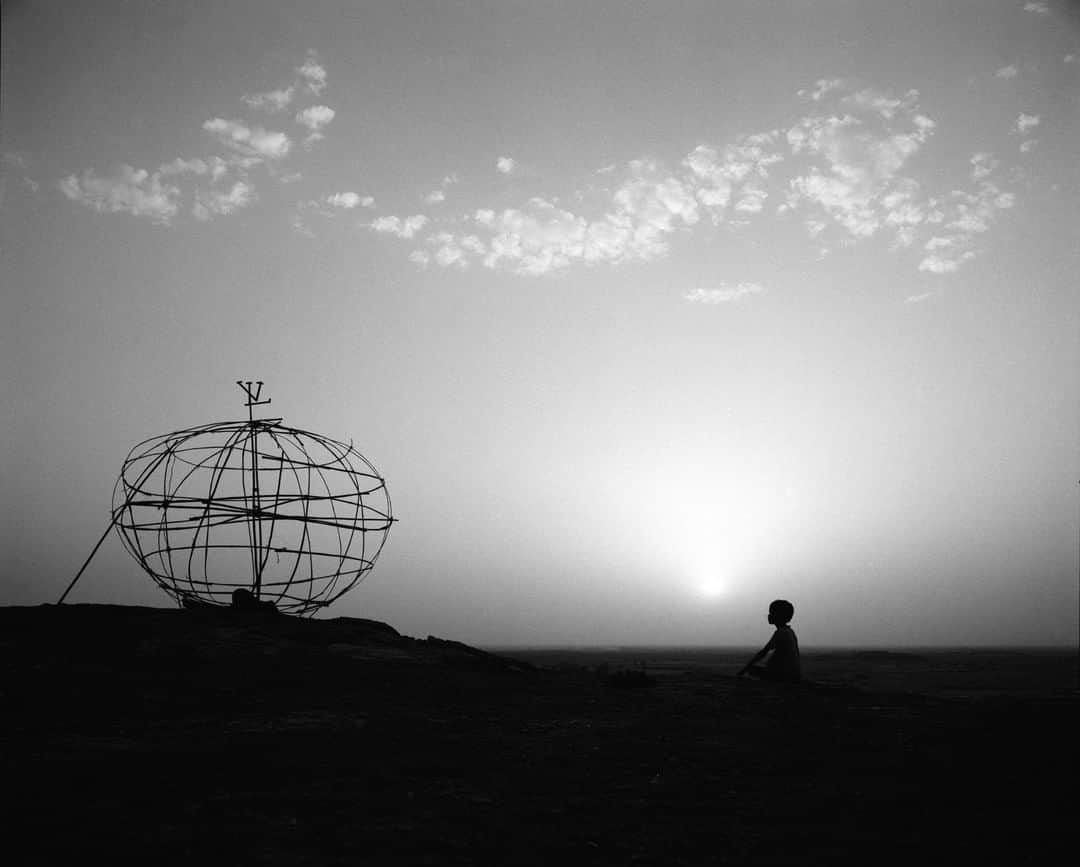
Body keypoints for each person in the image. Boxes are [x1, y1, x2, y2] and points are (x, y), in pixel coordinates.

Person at [737, 599, 801, 683]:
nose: (769, 616)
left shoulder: (781, 632)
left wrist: (744, 669)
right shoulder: (789, 631)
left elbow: (763, 652)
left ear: (778, 616)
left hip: (783, 675)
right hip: (792, 673)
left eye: (772, 613)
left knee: (751, 670)